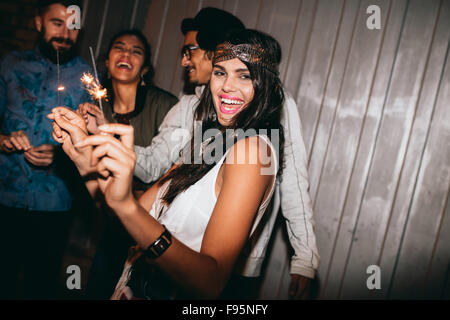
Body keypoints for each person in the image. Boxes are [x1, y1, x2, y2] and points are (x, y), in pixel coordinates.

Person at [49, 28, 284, 299]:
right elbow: (130, 220)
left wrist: (126, 207)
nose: (226, 86)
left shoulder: (253, 152)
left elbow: (210, 281)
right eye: (220, 72)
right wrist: (83, 158)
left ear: (267, 85)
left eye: (244, 75)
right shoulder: (208, 143)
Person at [131, 8, 320, 299]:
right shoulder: (195, 109)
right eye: (221, 72)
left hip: (236, 265)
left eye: (191, 50)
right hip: (168, 255)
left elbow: (293, 179)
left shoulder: (270, 110)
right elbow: (162, 168)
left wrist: (304, 259)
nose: (185, 60)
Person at [0, 0, 91, 299]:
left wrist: (63, 153)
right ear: (39, 23)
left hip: (56, 203)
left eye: (73, 26)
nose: (66, 33)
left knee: (40, 285)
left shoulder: (89, 78)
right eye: (57, 23)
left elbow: (93, 141)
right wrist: (3, 139)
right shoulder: (11, 64)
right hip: (5, 196)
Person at [78, 29, 178, 299]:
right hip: (111, 222)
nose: (126, 55)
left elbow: (172, 170)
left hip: (152, 225)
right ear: (108, 61)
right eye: (119, 48)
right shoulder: (96, 106)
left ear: (145, 67)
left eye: (136, 51)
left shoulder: (166, 106)